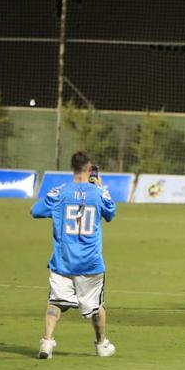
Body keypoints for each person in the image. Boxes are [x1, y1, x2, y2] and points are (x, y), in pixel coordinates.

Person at [32, 151, 117, 359]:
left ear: (73, 169)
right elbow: (111, 213)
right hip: (90, 262)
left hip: (64, 260)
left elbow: (36, 210)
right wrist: (98, 187)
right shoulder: (98, 192)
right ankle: (101, 344)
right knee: (96, 306)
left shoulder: (59, 192)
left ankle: (47, 341)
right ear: (90, 169)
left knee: (55, 302)